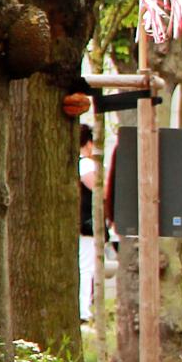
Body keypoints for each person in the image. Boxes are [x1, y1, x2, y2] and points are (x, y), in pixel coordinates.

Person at [79, 123, 100, 322]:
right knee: (86, 266)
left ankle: (84, 307)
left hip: (80, 223)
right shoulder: (86, 164)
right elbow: (97, 189)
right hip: (85, 223)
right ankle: (83, 310)